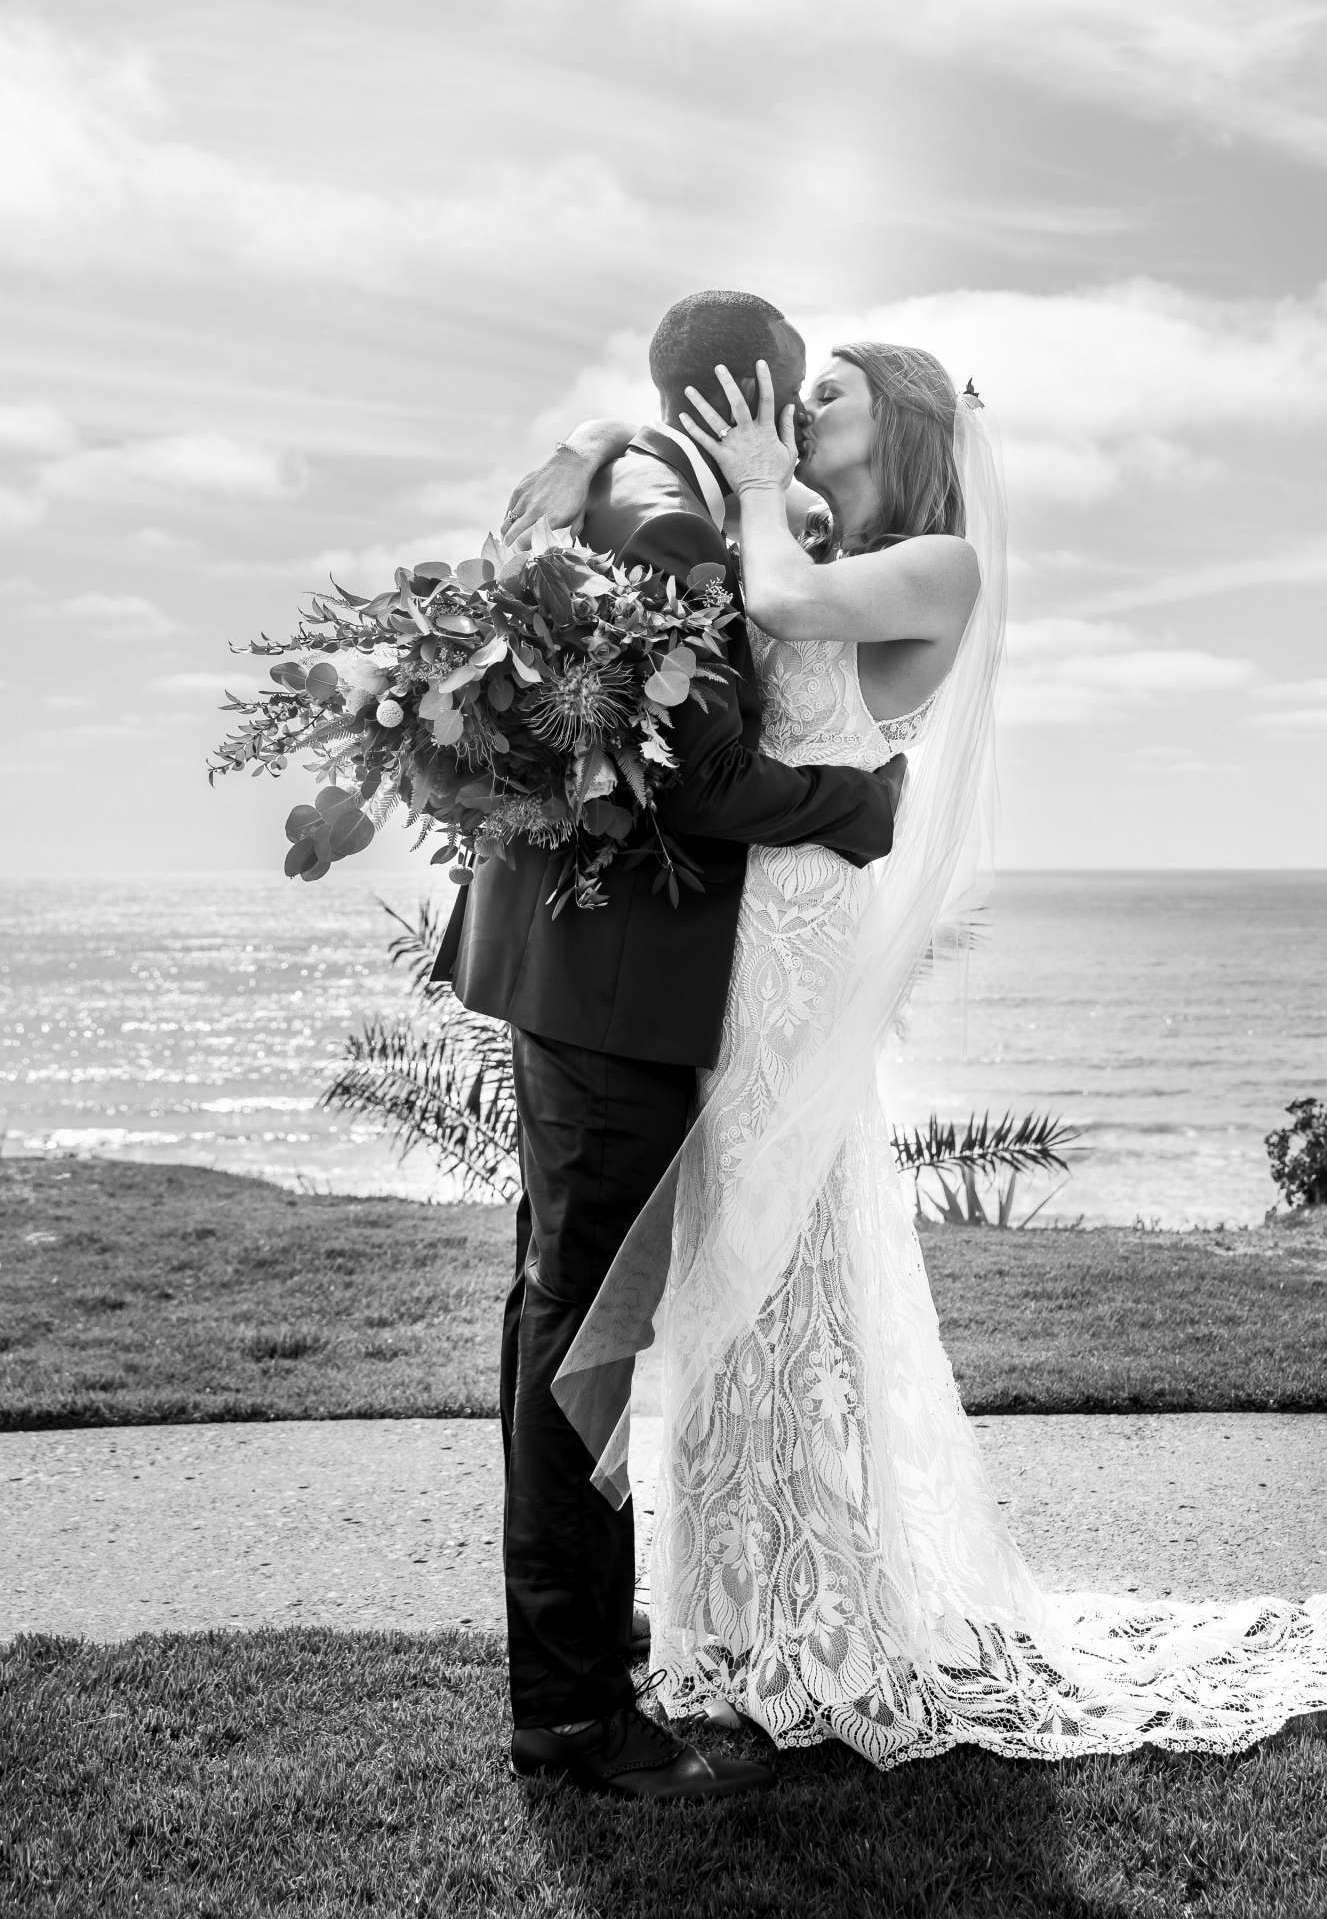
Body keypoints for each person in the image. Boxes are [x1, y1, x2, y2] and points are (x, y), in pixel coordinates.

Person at [518, 332, 1327, 1770]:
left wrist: (748, 486)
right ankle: (730, 1614)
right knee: (736, 1274)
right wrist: (618, 444)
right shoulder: (799, 524)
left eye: (830, 392)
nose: (801, 408)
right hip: (733, 931)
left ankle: (819, 1610)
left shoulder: (934, 563)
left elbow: (780, 601)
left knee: (784, 1264)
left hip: (793, 951)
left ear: (898, 429)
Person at [432, 288, 907, 1800]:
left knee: (554, 1320)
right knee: (583, 1341)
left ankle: (574, 1669)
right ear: (752, 395)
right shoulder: (677, 532)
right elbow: (700, 786)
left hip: (574, 976)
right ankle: (574, 1720)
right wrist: (857, 804)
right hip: (617, 991)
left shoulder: (609, 470)